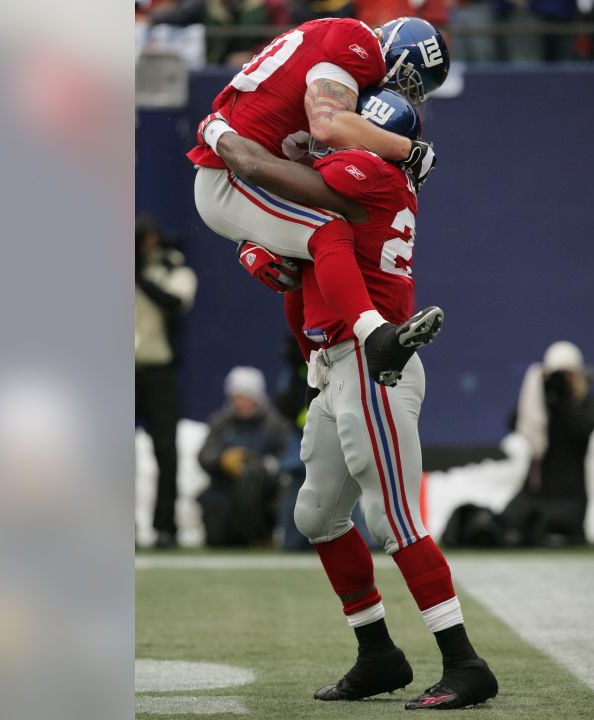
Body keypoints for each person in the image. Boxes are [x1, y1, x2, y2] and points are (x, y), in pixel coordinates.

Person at [212, 88, 499, 710]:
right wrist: (259, 251)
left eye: (341, 125)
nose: (325, 130)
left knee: (393, 518)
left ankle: (465, 663)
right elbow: (296, 234)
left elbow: (276, 190)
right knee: (316, 516)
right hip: (333, 363)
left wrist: (229, 155)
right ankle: (378, 654)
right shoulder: (356, 179)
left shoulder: (366, 169)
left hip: (374, 365)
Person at [189, 17, 449, 388]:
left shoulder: (334, 40)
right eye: (408, 81)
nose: (402, 93)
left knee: (305, 259)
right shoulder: (359, 47)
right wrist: (408, 150)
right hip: (234, 170)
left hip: (246, 164)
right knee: (327, 230)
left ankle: (313, 369)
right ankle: (374, 335)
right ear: (397, 53)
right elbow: (327, 126)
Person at [135, 215, 198, 548]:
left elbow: (175, 303)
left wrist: (139, 276)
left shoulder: (174, 270)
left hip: (159, 371)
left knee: (165, 450)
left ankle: (165, 527)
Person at [502, 340, 594, 546]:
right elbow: (516, 423)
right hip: (536, 493)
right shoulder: (541, 401)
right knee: (508, 524)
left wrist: (562, 401)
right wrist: (540, 396)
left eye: (567, 375)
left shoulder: (586, 403)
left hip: (568, 499)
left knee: (550, 529)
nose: (561, 381)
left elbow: (581, 431)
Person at [197, 366, 294, 546]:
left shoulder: (275, 424)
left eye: (248, 396)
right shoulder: (220, 422)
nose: (242, 402)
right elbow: (205, 455)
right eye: (238, 397)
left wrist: (257, 465)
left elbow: (286, 457)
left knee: (251, 480)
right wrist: (223, 460)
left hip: (263, 490)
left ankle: (261, 536)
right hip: (225, 486)